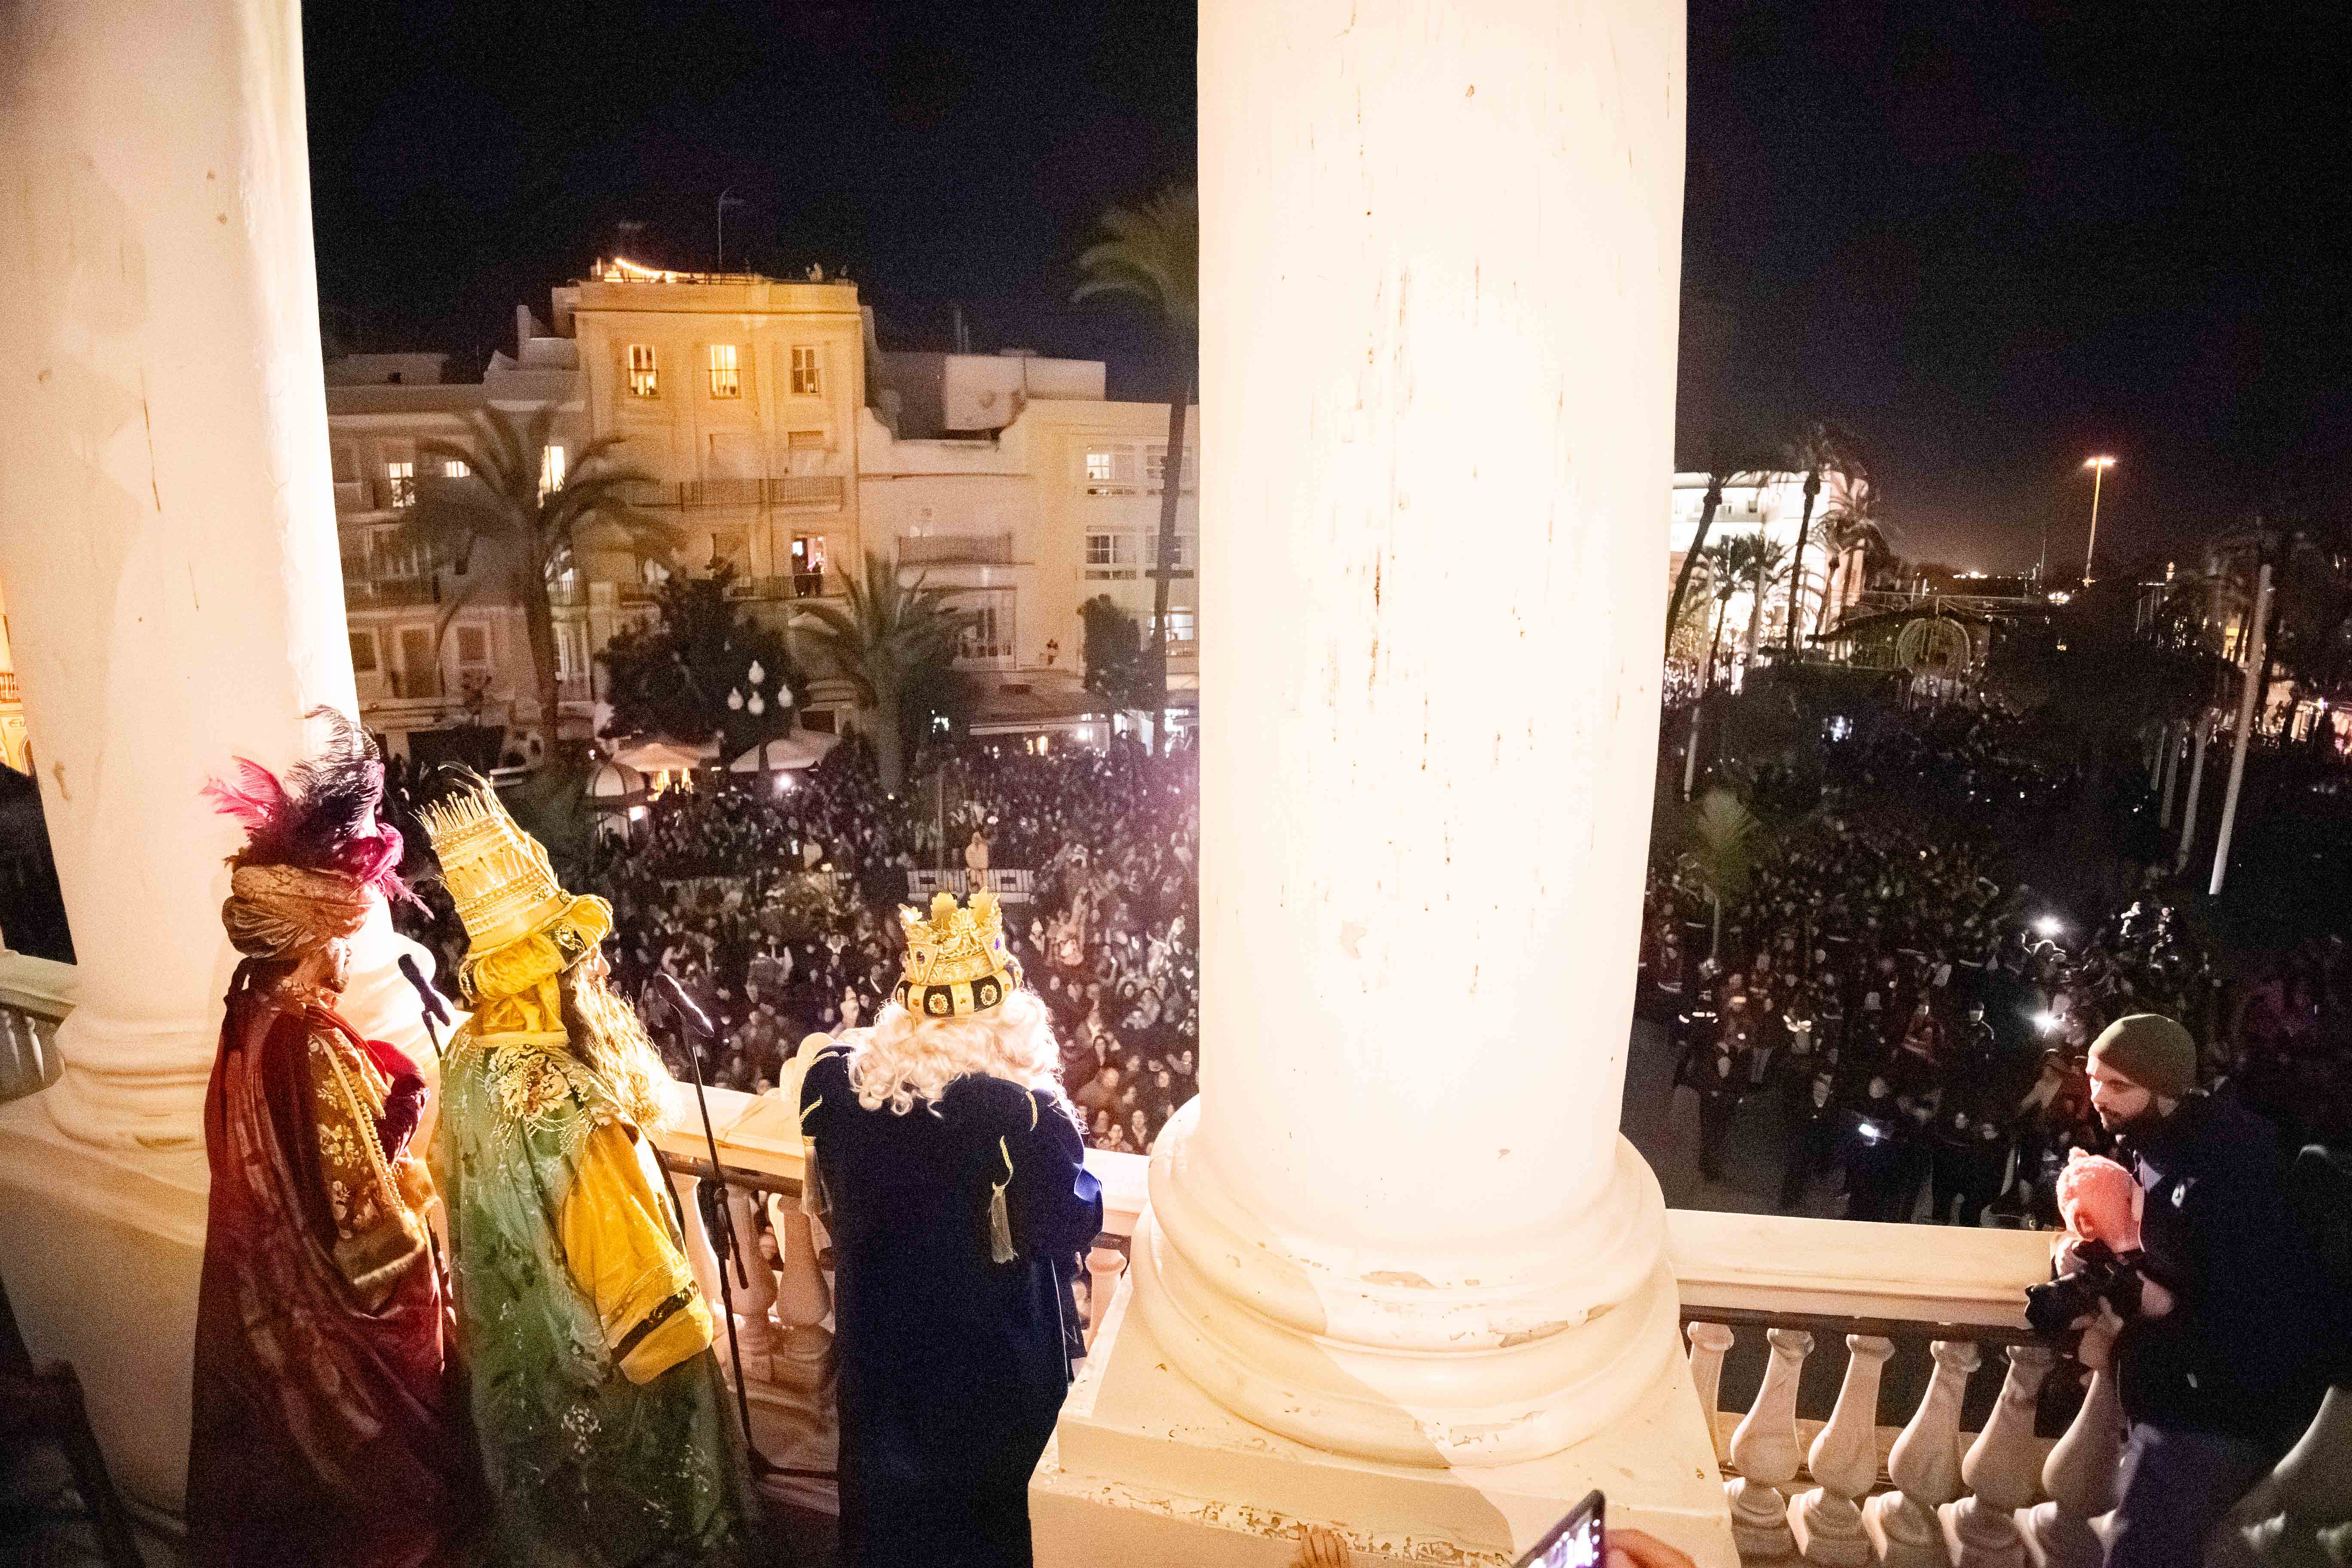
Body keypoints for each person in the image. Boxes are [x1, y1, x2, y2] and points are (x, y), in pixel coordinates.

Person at [423, 773, 762, 1567]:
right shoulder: (571, 1102)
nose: (601, 970)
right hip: (601, 1388)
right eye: (581, 958)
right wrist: (691, 1378)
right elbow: (633, 1274)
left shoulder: (466, 1058)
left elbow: (446, 1180)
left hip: (513, 1376)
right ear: (548, 978)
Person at [186, 718, 481, 1567]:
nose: (353, 950)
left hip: (275, 1313)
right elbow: (368, 1239)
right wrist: (414, 1169)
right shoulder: (311, 1040)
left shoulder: (252, 1017)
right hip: (340, 1347)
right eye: (344, 933)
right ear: (316, 935)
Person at [797, 889, 1102, 1568]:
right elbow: (1073, 1221)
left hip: (882, 1363)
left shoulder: (839, 1096)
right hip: (989, 1379)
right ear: (1006, 1021)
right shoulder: (1022, 1121)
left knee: (891, 1522)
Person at [2073, 1015, 2330, 1568]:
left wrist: (2151, 1292)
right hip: (2174, 1396)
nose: (2097, 1096)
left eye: (2119, 1085)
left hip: (2209, 1413)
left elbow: (2254, 1300)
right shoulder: (2152, 1140)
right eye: (2093, 1077)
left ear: (2168, 1089)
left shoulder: (2235, 1162)